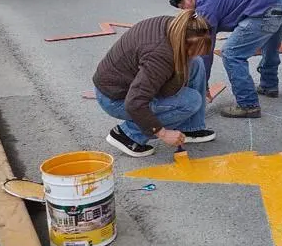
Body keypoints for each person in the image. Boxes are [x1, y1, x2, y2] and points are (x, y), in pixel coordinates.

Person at [92, 8, 215, 157]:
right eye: (195, 50)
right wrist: (162, 133)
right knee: (191, 101)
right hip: (115, 98)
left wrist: (185, 64)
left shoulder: (179, 26)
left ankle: (190, 127)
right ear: (184, 43)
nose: (200, 53)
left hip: (127, 83)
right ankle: (127, 134)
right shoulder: (159, 57)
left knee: (196, 62)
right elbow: (135, 102)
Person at [169, 0, 282, 118]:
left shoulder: (205, 9)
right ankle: (269, 85)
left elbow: (204, 51)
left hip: (267, 8)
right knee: (270, 43)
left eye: (181, 7)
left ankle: (248, 105)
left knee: (231, 53)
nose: (183, 12)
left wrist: (202, 86)